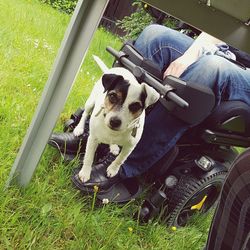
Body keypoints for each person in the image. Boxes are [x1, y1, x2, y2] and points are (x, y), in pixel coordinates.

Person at [49, 24, 250, 186]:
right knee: (154, 36)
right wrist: (193, 53)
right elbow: (227, 23)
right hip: (226, 49)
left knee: (210, 67)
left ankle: (124, 164)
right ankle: (93, 134)